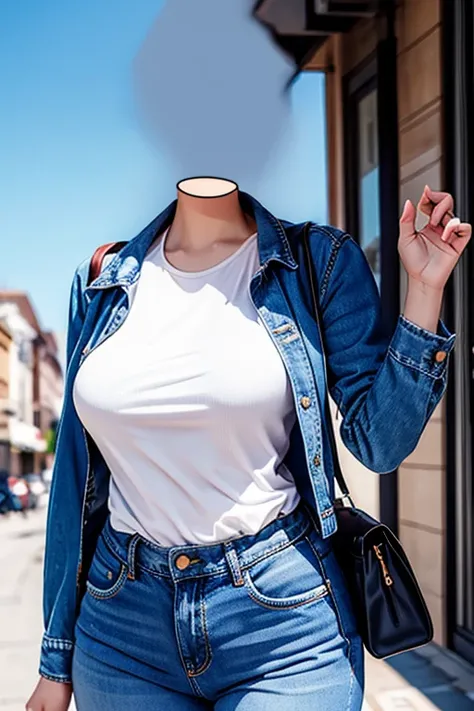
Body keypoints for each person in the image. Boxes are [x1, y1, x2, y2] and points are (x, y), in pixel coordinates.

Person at [27, 179, 471, 711]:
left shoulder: (316, 261)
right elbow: (74, 479)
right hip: (122, 622)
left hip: (282, 617)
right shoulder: (101, 278)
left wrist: (424, 289)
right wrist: (56, 659)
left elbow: (380, 444)